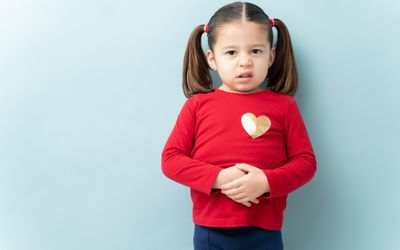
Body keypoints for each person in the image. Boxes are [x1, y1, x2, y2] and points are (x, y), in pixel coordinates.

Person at [161, 1, 317, 249]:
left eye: (255, 51)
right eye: (231, 52)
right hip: (210, 231)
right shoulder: (197, 106)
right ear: (212, 59)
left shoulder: (284, 106)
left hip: (265, 232)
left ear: (271, 55)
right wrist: (219, 178)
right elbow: (171, 159)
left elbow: (305, 163)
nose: (244, 62)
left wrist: (266, 182)